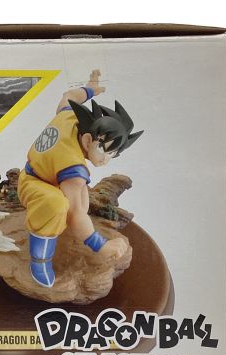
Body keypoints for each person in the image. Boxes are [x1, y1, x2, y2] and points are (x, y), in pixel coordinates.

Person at [17, 70, 143, 288]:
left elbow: (68, 96)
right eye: (104, 149)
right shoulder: (73, 168)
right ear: (87, 140)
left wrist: (89, 89)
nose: (106, 159)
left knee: (81, 201)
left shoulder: (69, 116)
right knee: (57, 205)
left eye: (114, 154)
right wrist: (101, 246)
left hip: (49, 175)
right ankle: (39, 261)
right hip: (34, 183)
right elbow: (75, 215)